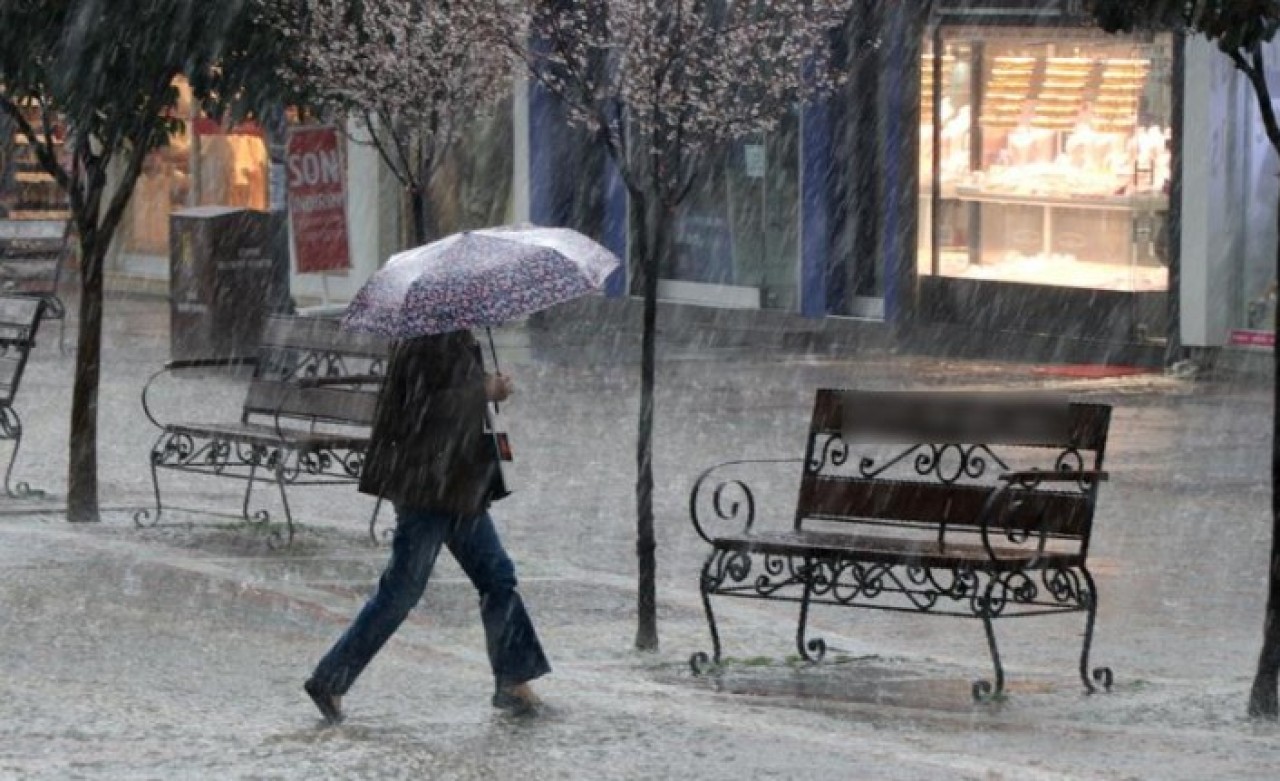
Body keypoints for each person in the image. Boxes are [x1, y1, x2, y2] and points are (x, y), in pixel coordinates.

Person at [304, 329, 551, 724]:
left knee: (497, 577)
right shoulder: (425, 339)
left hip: (457, 487)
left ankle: (513, 683)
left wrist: (484, 388)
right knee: (402, 591)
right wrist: (483, 390)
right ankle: (330, 679)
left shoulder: (448, 335)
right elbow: (425, 409)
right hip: (428, 489)